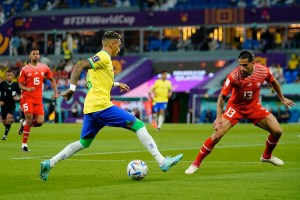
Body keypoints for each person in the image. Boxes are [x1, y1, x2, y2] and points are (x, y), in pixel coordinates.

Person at [39, 31, 183, 181]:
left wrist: (117, 83)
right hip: (101, 105)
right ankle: (162, 161)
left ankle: (50, 163)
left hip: (90, 108)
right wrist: (72, 89)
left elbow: (97, 82)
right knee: (138, 125)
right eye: (119, 46)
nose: (119, 49)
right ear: (112, 44)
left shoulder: (98, 64)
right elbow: (79, 66)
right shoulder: (103, 56)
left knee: (84, 142)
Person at [185, 50, 295, 175]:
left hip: (254, 107)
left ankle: (266, 156)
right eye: (239, 65)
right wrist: (218, 118)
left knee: (278, 131)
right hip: (235, 108)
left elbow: (274, 82)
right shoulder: (234, 76)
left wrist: (282, 98)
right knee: (217, 136)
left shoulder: (263, 71)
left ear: (252, 63)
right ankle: (195, 164)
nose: (241, 68)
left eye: (244, 65)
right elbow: (221, 97)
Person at [18, 48, 59, 151]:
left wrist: (56, 92)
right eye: (33, 54)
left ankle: (23, 123)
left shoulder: (44, 68)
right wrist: (27, 88)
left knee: (40, 122)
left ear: (39, 56)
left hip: (38, 100)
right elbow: (20, 85)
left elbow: (52, 79)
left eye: (37, 54)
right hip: (27, 98)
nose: (36, 55)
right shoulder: (25, 69)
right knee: (29, 117)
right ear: (30, 56)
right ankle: (24, 145)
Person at [0, 70, 21, 140]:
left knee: (8, 118)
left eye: (10, 75)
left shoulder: (15, 85)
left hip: (11, 106)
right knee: (5, 123)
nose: (9, 77)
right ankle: (9, 123)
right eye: (8, 75)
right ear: (6, 76)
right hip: (3, 106)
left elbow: (20, 95)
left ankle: (5, 136)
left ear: (13, 76)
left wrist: (17, 98)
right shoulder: (2, 84)